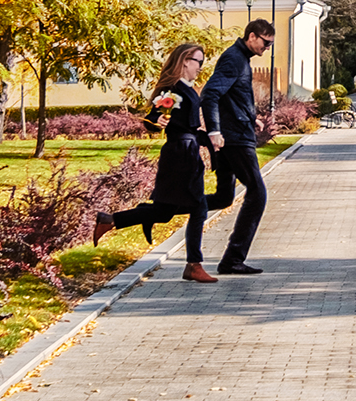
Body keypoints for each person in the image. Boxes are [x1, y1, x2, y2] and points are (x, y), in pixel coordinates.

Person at [93, 43, 220, 283]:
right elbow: (152, 115)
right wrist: (156, 119)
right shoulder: (172, 89)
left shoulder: (185, 88)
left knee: (163, 212)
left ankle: (111, 220)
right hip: (180, 155)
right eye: (198, 62)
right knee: (198, 207)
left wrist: (208, 139)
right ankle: (194, 265)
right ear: (184, 61)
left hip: (186, 151)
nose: (200, 67)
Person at [201, 18, 273, 275]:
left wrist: (252, 116)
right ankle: (232, 259)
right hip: (235, 140)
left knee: (223, 198)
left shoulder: (240, 59)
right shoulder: (234, 58)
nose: (267, 49)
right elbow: (210, 94)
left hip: (236, 134)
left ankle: (162, 208)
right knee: (257, 194)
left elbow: (232, 97)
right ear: (252, 36)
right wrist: (215, 131)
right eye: (265, 43)